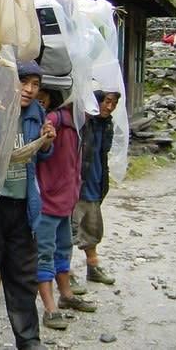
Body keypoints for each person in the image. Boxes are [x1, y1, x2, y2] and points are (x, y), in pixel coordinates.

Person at [0, 60, 56, 350]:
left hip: (21, 205)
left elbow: (40, 156)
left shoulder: (35, 113)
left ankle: (29, 339)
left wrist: (46, 143)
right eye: (24, 82)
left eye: (35, 85)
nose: (29, 90)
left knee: (22, 275)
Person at [35, 92, 96, 331]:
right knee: (45, 253)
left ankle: (66, 295)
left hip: (66, 201)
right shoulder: (55, 121)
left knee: (63, 249)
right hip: (48, 202)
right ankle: (50, 309)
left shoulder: (78, 127)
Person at [72, 88, 120, 287]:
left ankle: (93, 268)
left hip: (94, 186)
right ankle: (66, 275)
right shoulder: (83, 123)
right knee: (67, 234)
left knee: (93, 230)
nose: (109, 107)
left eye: (114, 104)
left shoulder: (106, 125)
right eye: (106, 101)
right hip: (76, 188)